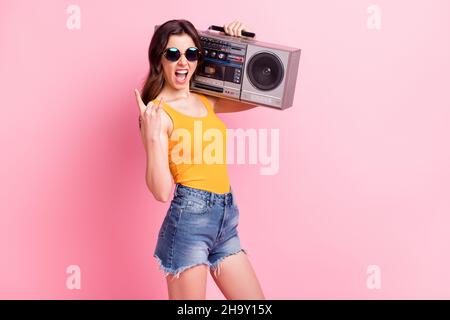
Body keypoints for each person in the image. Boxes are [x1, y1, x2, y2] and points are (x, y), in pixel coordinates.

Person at [134, 19, 265, 300]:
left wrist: (240, 46)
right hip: (189, 222)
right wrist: (153, 137)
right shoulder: (157, 113)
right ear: (159, 59)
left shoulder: (207, 98)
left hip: (226, 219)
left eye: (191, 53)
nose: (183, 62)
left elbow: (261, 95)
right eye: (173, 54)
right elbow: (160, 192)